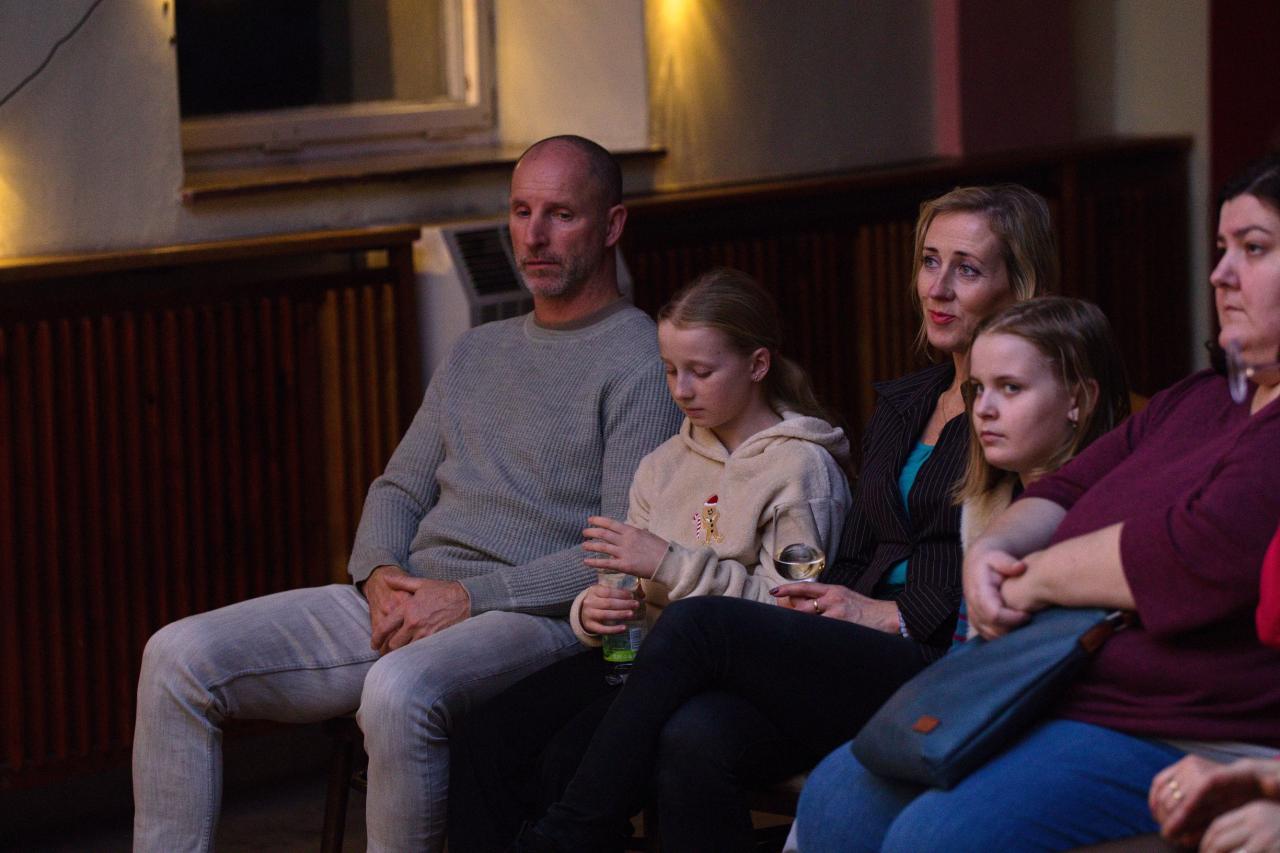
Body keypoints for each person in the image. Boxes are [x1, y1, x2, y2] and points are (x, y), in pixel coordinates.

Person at [130, 135, 683, 853]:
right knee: (175, 657)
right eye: (521, 212)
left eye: (561, 214)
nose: (534, 236)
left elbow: (619, 559)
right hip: (410, 596)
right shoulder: (477, 350)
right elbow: (397, 487)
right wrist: (380, 573)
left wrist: (468, 597)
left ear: (611, 225)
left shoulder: (640, 358)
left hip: (534, 614)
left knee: (397, 691)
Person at [513, 184, 1059, 853]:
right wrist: (828, 601)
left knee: (696, 623)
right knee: (693, 736)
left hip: (937, 657)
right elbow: (855, 547)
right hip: (848, 648)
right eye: (929, 261)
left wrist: (889, 614)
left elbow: (1012, 547)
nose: (937, 288)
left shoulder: (1021, 409)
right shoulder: (907, 402)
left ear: (1017, 284)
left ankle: (565, 837)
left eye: (967, 269)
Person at [791, 151, 1280, 853]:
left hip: (1189, 726)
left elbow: (1190, 553)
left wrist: (1033, 577)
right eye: (1222, 247)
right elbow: (1068, 486)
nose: (1220, 273)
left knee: (935, 837)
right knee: (839, 793)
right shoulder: (1200, 398)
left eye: (1253, 249)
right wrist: (994, 546)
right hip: (1061, 684)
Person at [445, 268, 853, 852]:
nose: (681, 390)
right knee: (485, 736)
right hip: (639, 660)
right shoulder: (663, 464)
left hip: (730, 677)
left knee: (565, 761)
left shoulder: (800, 469)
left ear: (758, 365)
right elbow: (620, 581)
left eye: (701, 371)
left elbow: (791, 613)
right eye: (669, 370)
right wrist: (593, 611)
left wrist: (668, 563)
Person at [948, 296, 1130, 642]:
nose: (983, 409)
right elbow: (963, 652)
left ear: (1079, 400)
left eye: (1010, 387)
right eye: (978, 388)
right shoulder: (987, 504)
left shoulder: (1108, 515)